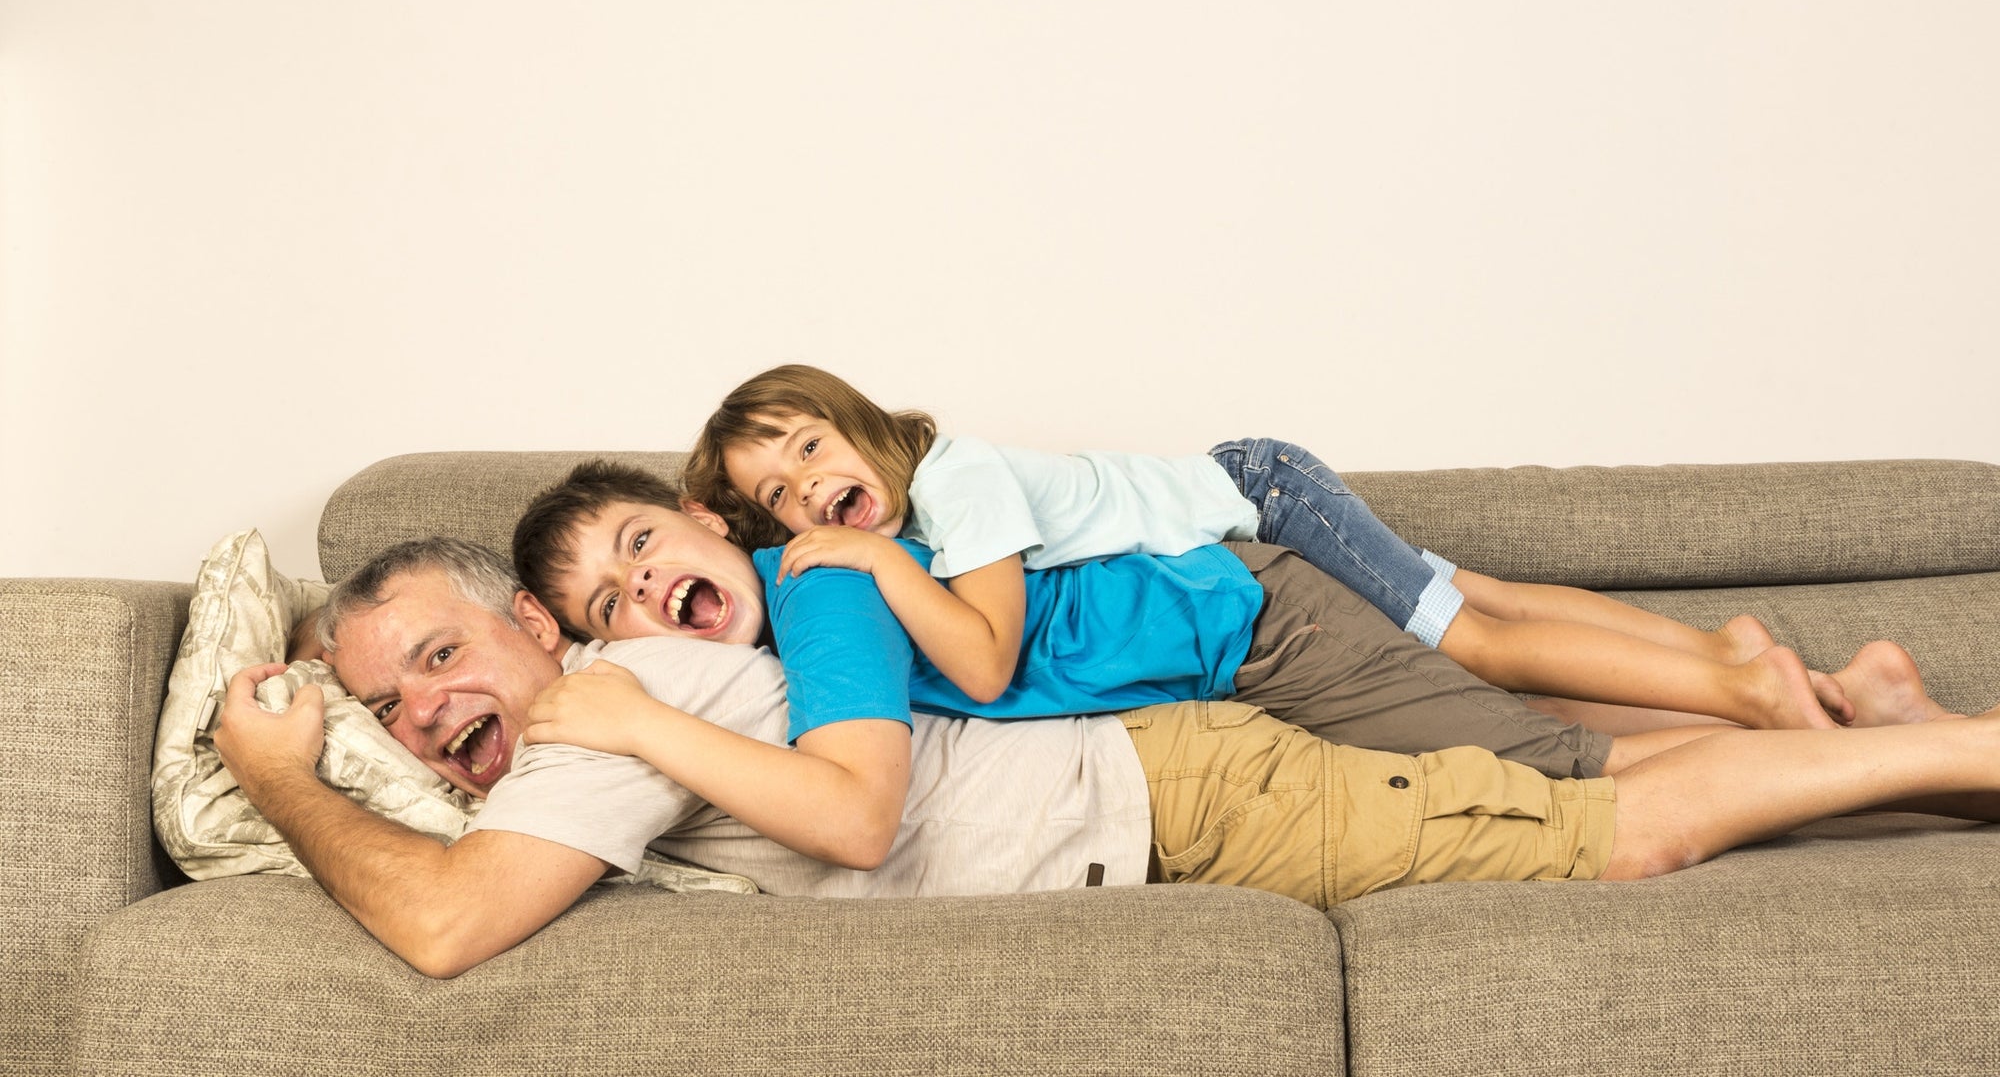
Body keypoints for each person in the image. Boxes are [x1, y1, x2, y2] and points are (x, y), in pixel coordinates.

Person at [215, 535, 2000, 982]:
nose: (426, 715)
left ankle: (1971, 748)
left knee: (1617, 828)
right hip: (1166, 771)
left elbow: (447, 934)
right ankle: (1904, 742)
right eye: (384, 710)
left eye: (443, 657)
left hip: (1188, 776)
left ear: (534, 628)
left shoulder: (597, 713)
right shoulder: (592, 709)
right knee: (1560, 782)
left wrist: (291, 777)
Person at [512, 461, 1935, 787]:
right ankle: (1818, 694)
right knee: (1516, 688)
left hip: (1252, 617)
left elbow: (982, 668)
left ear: (712, 522)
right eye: (609, 609)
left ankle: (1836, 732)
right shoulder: (801, 610)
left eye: (647, 546)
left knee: (1552, 772)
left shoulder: (841, 574)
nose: (646, 594)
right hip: (1235, 625)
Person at [681, 365, 1856, 731]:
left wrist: (883, 568)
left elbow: (983, 664)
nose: (807, 493)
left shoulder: (953, 483)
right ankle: (1725, 644)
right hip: (1255, 479)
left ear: (855, 420)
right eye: (776, 497)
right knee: (1475, 590)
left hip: (1262, 499)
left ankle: (1742, 691)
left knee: (1478, 645)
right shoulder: (932, 506)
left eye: (807, 448)